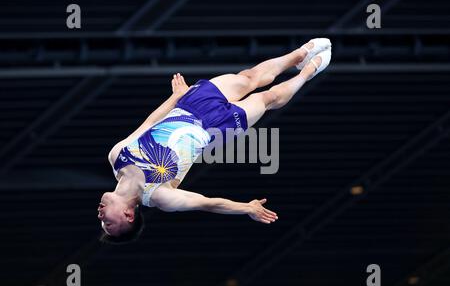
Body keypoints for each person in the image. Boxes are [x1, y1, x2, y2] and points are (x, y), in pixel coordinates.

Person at [98, 38, 332, 243]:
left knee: (249, 77)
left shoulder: (117, 156)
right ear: (129, 216)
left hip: (191, 104)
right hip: (217, 128)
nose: (100, 217)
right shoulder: (159, 196)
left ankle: (299, 55)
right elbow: (207, 203)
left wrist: (175, 97)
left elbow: (149, 123)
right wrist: (246, 208)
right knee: (266, 98)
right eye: (108, 224)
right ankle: (307, 72)